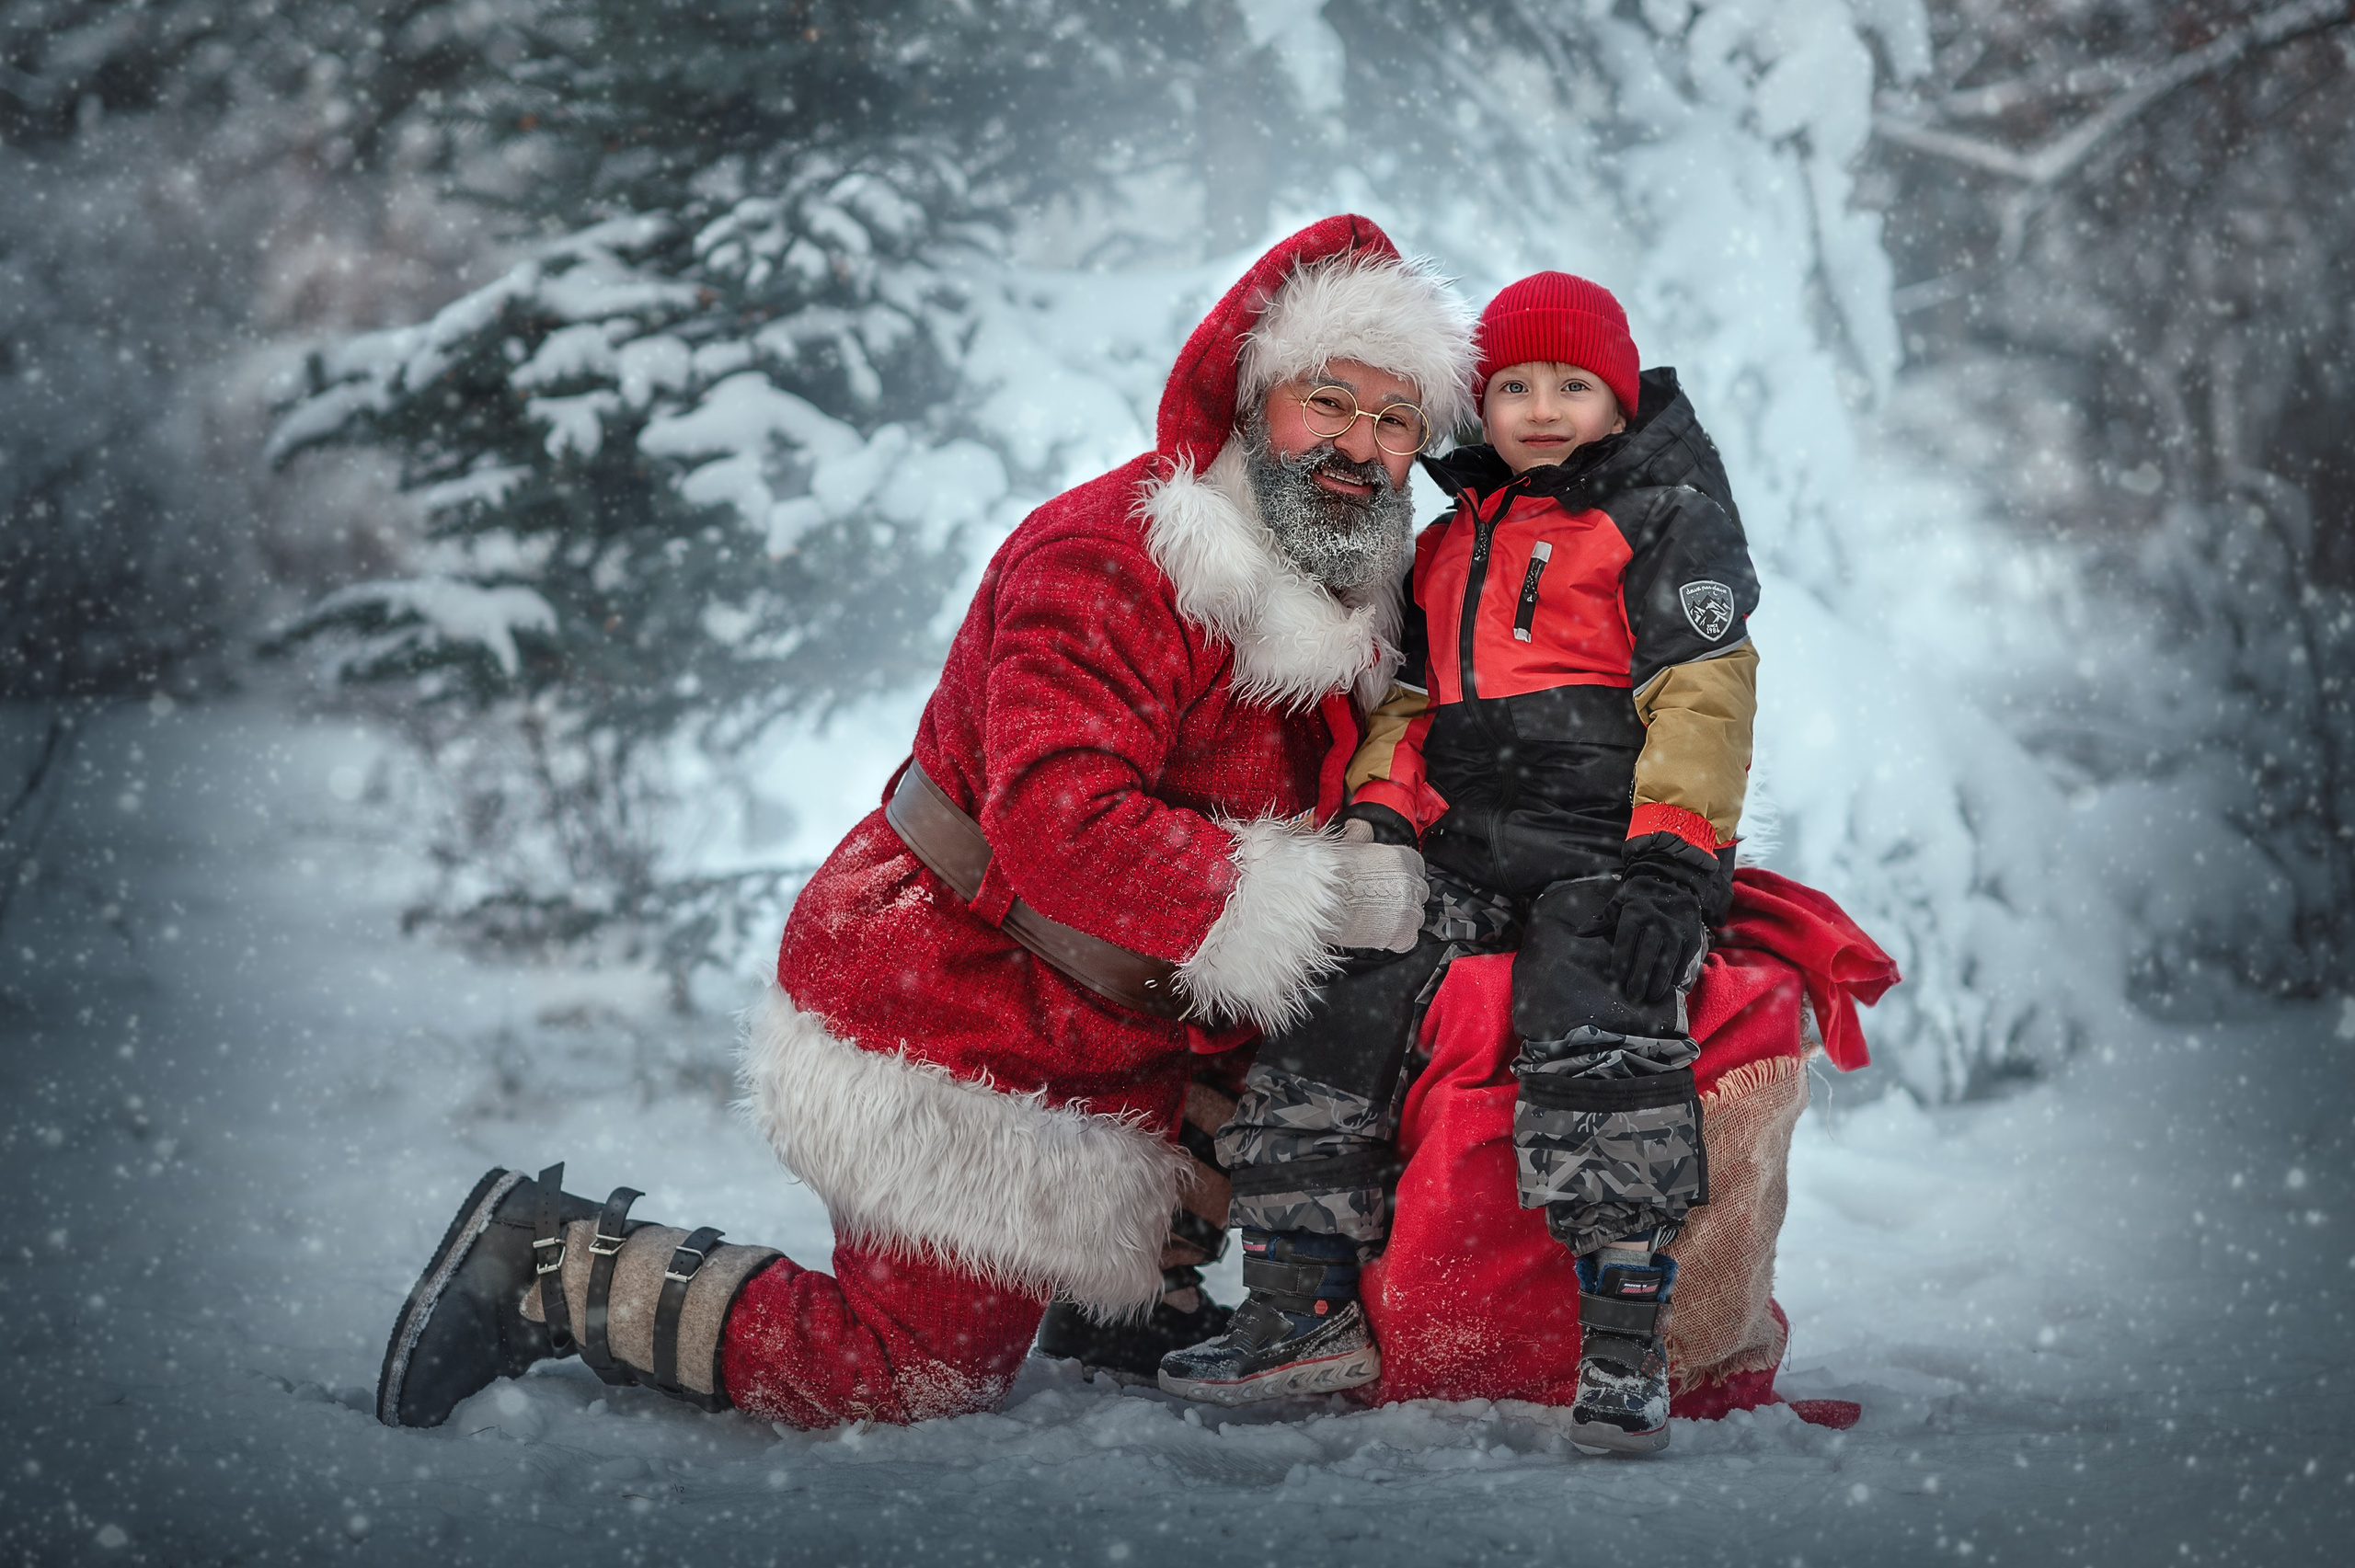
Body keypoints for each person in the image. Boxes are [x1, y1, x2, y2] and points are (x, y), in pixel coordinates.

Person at [371, 215, 1479, 1432]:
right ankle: (546, 1261)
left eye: (1394, 421)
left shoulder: (1349, 607)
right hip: (958, 1001)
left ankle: (1129, 1295)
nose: (1361, 448)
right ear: (1252, 393)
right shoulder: (1112, 559)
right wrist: (1330, 901)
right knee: (906, 1377)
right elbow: (1065, 825)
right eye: (1331, 401)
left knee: (1382, 1032)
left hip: (1130, 1026)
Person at [1158, 271, 1761, 1456]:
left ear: (1619, 401)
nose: (1542, 408)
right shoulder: (1449, 540)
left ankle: (1624, 1342)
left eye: (1573, 386)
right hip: (1469, 839)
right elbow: (1414, 703)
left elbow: (1705, 693)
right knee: (1342, 982)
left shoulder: (1660, 519)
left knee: (1598, 1009)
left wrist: (1676, 860)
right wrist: (1382, 819)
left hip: (1607, 840)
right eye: (1514, 387)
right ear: (1478, 408)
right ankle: (1299, 1301)